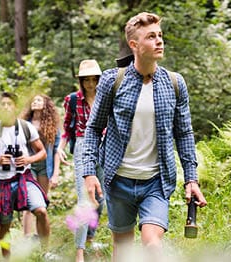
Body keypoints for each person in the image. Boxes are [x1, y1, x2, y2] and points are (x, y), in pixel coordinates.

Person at [81, 12, 207, 261]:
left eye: (160, 35)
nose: (159, 41)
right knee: (123, 248)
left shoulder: (174, 83)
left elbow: (184, 133)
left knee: (152, 246)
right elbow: (94, 128)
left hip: (156, 182)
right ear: (134, 45)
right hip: (118, 180)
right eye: (151, 37)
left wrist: (191, 179)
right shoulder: (112, 81)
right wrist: (89, 172)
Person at [0, 92, 51, 258]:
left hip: (24, 178)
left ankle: (46, 253)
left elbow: (42, 153)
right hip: (3, 183)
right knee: (5, 225)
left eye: (9, 104)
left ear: (15, 107)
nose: (5, 107)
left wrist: (28, 159)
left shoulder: (26, 127)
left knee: (41, 211)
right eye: (2, 104)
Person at [58, 59, 106, 262]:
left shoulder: (105, 97)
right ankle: (79, 252)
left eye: (93, 79)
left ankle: (89, 237)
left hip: (104, 146)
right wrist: (60, 149)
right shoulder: (73, 100)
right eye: (86, 80)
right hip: (82, 145)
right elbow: (67, 126)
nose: (90, 84)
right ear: (81, 81)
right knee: (84, 199)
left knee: (100, 198)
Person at [20, 94, 62, 238]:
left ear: (45, 104)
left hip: (45, 166)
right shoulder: (24, 123)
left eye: (38, 100)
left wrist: (56, 173)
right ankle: (27, 237)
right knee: (28, 202)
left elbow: (57, 150)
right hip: (28, 166)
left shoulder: (52, 125)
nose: (35, 102)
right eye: (33, 100)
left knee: (41, 201)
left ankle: (39, 236)